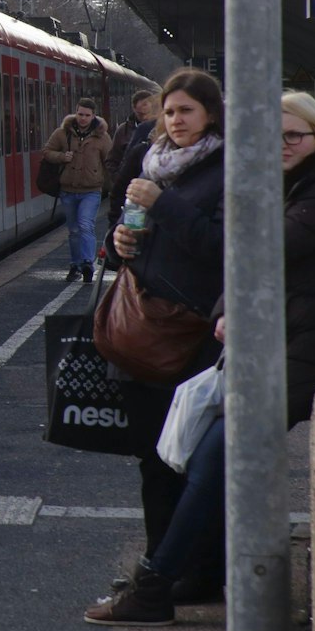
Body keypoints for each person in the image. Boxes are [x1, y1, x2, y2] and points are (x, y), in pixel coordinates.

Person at [87, 91, 315, 625]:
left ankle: (157, 582)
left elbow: (256, 251)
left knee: (215, 454)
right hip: (286, 345)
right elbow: (248, 263)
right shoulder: (300, 185)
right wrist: (231, 304)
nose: (280, 146)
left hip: (308, 353)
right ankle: (166, 577)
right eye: (269, 138)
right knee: (207, 452)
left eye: (292, 136)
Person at [97, 68, 228, 599]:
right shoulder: (151, 165)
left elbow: (222, 246)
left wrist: (161, 203)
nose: (175, 120)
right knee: (153, 460)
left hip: (195, 332)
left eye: (186, 111)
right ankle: (160, 564)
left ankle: (197, 572)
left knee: (192, 460)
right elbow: (133, 229)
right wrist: (120, 240)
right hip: (144, 326)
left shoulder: (225, 170)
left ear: (211, 115)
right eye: (169, 111)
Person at [42, 97, 113, 282]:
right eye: (80, 114)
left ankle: (88, 263)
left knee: (85, 225)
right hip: (68, 189)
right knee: (73, 230)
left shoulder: (102, 136)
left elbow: (110, 161)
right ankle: (75, 264)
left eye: (87, 115)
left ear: (93, 116)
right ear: (76, 112)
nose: (82, 118)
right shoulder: (62, 133)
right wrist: (61, 157)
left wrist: (112, 186)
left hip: (91, 190)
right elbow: (47, 152)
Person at [103, 89, 159, 220]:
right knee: (132, 232)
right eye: (140, 113)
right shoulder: (126, 130)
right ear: (134, 109)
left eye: (146, 112)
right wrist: (118, 177)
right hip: (133, 193)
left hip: (146, 194)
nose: (144, 117)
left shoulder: (160, 127)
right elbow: (112, 158)